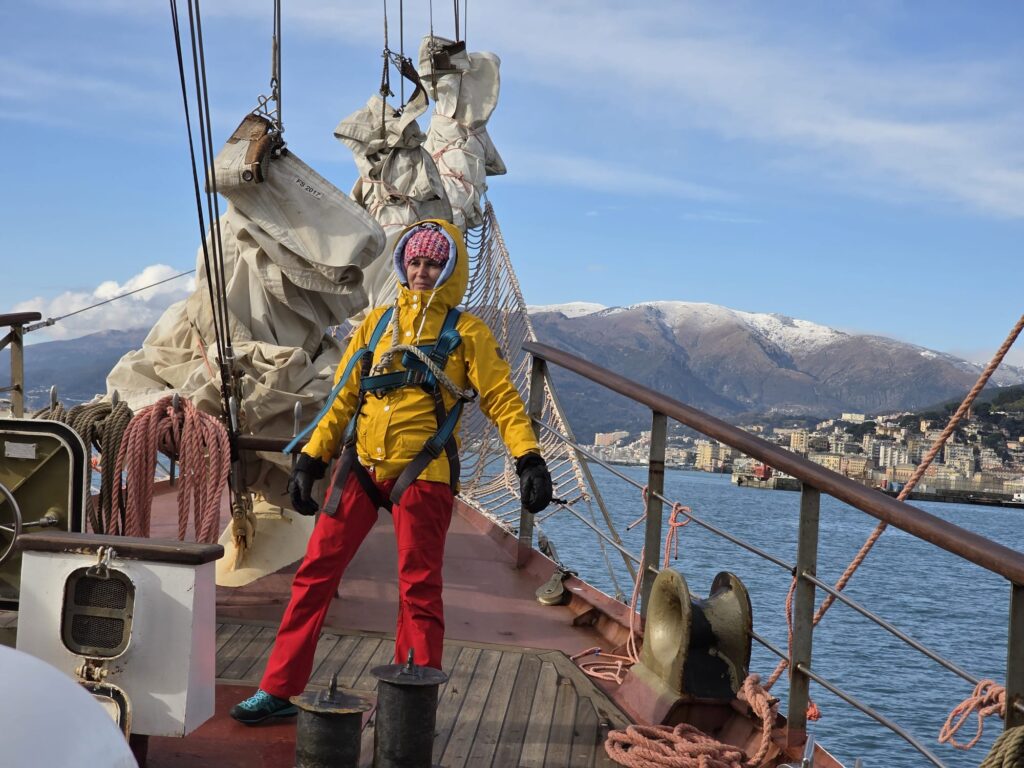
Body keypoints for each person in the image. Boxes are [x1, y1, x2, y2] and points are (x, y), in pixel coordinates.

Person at [231, 218, 553, 724]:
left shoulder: (468, 334)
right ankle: (278, 688)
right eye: (415, 262)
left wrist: (528, 458)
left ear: (450, 270)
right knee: (314, 575)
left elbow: (502, 400)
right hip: (360, 466)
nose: (422, 271)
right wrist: (312, 459)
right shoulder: (377, 325)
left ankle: (410, 710)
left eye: (434, 263)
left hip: (423, 472)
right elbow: (342, 398)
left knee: (418, 589)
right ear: (403, 266)